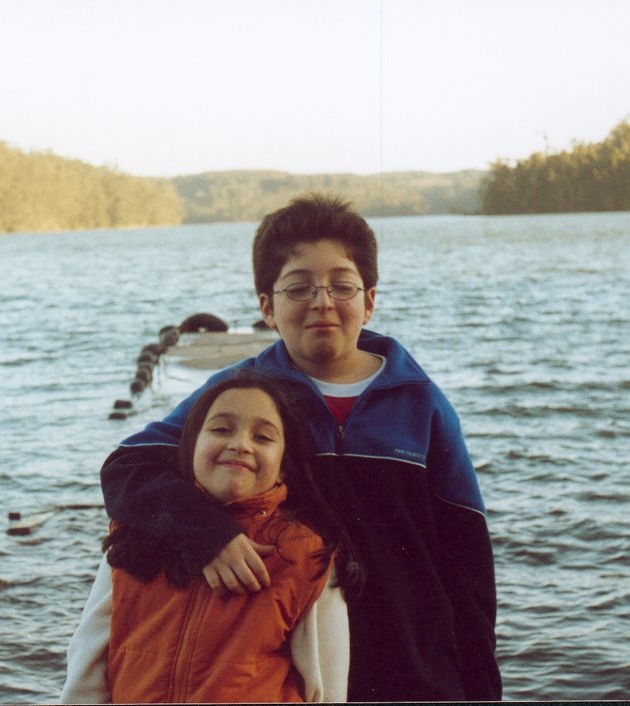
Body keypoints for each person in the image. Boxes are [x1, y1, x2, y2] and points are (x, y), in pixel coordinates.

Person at [97, 193, 502, 701]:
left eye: (341, 285)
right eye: (299, 288)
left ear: (369, 299)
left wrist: (482, 686)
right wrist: (205, 534)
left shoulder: (422, 405)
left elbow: (467, 560)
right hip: (291, 665)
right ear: (267, 307)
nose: (322, 301)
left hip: (414, 669)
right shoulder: (241, 397)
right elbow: (126, 467)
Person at [61, 371, 357, 703]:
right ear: (187, 449)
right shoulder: (135, 536)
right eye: (220, 429)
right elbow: (87, 664)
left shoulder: (306, 555)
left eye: (263, 437)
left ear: (283, 465)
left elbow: (326, 690)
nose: (240, 444)